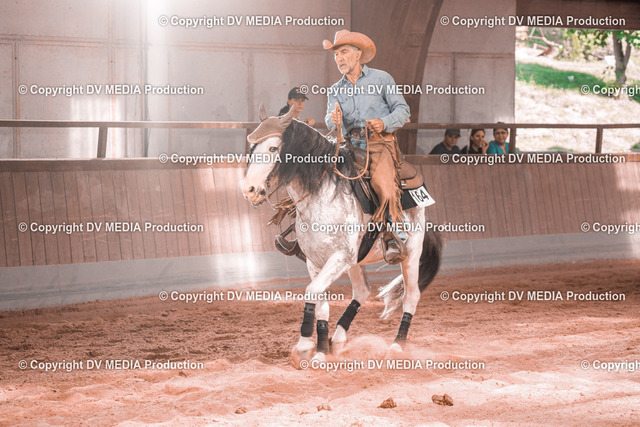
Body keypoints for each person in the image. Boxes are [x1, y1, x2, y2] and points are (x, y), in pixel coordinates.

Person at [323, 29, 410, 264]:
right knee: (320, 176)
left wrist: (384, 122)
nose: (339, 58)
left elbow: (403, 110)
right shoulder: (335, 90)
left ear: (358, 54)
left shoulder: (382, 79)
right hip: (349, 146)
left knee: (383, 185)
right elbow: (329, 120)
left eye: (343, 52)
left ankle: (394, 235)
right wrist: (334, 120)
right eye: (335, 55)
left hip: (379, 143)